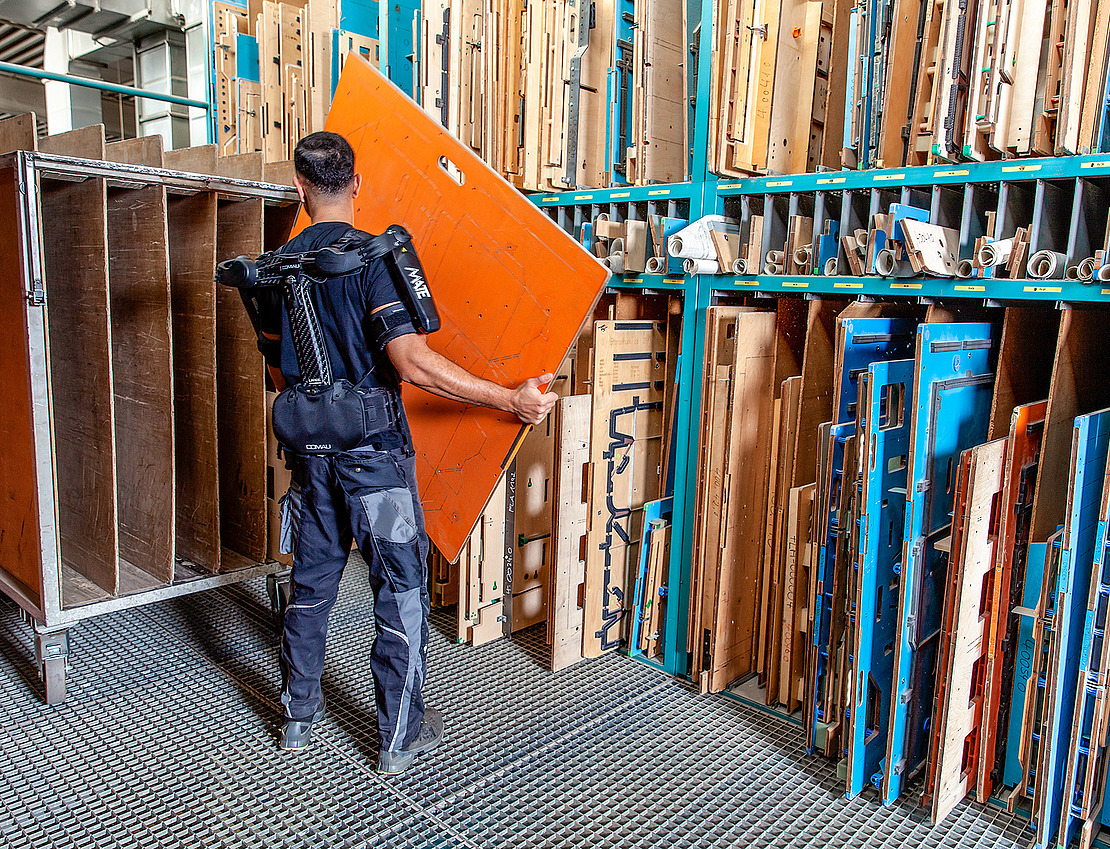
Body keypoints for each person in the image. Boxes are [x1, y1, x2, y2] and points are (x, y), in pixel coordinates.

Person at [257, 131, 557, 774]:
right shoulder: (372, 259)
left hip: (311, 459)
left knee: (311, 584)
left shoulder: (278, 269)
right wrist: (510, 399)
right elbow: (413, 362)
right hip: (376, 462)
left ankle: (298, 717)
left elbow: (280, 370)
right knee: (400, 591)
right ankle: (398, 736)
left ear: (300, 190)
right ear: (356, 185)